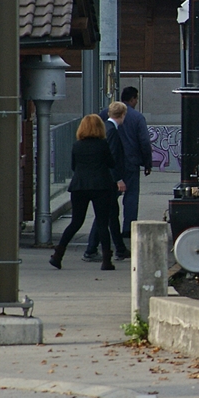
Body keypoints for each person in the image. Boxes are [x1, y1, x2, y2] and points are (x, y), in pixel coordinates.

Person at [50, 115, 122, 271]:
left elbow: (74, 166)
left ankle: (58, 255)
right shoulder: (103, 145)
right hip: (101, 186)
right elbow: (111, 163)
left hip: (79, 186)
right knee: (103, 223)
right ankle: (106, 261)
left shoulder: (77, 145)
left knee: (76, 222)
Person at [82, 102, 130, 262]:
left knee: (111, 215)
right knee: (106, 215)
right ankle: (93, 249)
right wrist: (118, 179)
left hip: (106, 180)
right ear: (122, 114)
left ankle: (119, 249)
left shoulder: (108, 129)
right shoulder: (112, 132)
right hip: (108, 181)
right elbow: (113, 158)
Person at [111, 87, 152, 241]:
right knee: (131, 197)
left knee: (110, 199)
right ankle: (128, 229)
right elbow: (144, 142)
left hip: (113, 164)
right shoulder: (137, 117)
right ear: (133, 99)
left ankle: (109, 227)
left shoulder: (108, 114)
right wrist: (147, 163)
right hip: (131, 163)